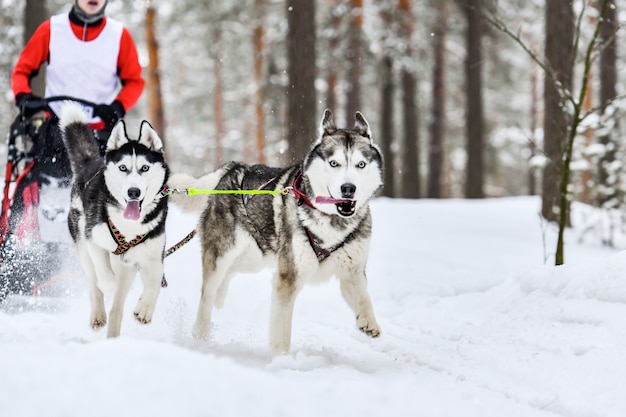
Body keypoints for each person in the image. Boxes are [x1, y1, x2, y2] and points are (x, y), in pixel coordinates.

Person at [11, 0, 144, 132]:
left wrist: (118, 107)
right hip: (56, 127)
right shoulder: (51, 29)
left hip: (101, 130)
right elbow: (22, 70)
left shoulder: (118, 35)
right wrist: (24, 97)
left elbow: (134, 81)